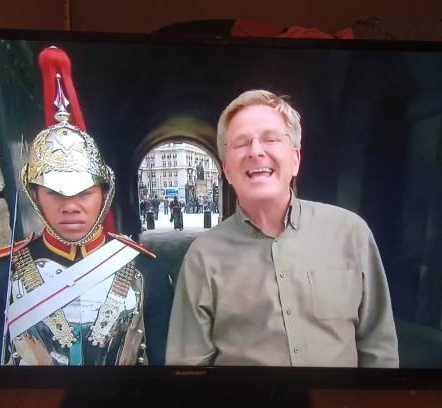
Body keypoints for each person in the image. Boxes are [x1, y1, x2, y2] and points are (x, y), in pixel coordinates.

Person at [0, 46, 172, 366]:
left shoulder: (146, 270)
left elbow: (163, 365)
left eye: (84, 193)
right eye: (56, 193)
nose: (70, 206)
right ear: (35, 194)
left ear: (104, 193)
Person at [166, 89, 398, 367]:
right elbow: (188, 366)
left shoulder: (350, 233)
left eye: (271, 138)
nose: (255, 151)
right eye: (241, 143)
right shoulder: (203, 256)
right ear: (226, 169)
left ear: (296, 159)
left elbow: (379, 347)